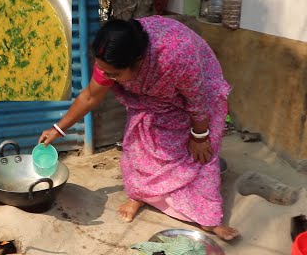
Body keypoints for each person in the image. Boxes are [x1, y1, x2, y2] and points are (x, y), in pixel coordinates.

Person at [38, 15, 240, 241]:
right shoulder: (111, 56)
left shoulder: (177, 57)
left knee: (200, 157)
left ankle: (208, 218)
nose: (106, 77)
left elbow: (198, 100)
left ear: (140, 62)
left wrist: (200, 135)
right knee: (139, 148)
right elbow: (90, 97)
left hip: (196, 98)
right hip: (153, 101)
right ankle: (140, 196)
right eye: (103, 70)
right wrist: (58, 128)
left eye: (114, 74)